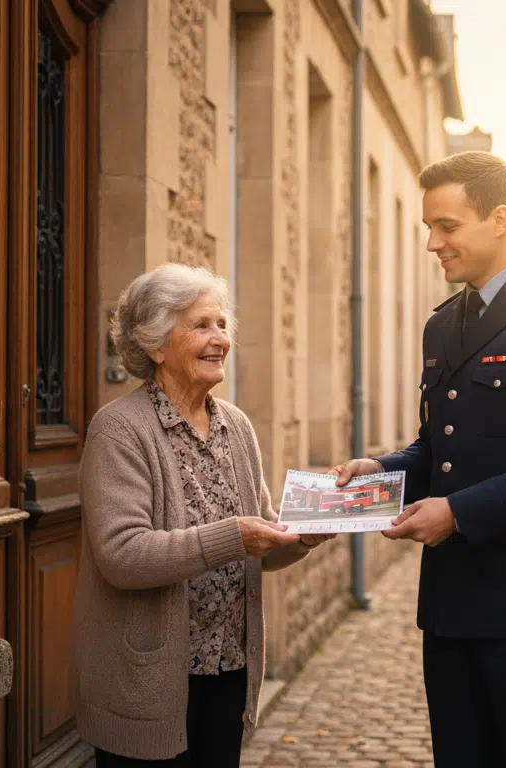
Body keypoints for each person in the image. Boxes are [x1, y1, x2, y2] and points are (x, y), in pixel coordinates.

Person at [333, 151, 506, 767]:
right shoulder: (442, 325)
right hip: (453, 600)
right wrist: (382, 470)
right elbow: (438, 449)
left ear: (499, 219)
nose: (433, 242)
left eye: (447, 226)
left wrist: (456, 513)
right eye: (429, 228)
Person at [73, 263, 335, 766]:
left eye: (221, 325)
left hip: (228, 670)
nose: (219, 339)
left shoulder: (235, 425)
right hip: (148, 680)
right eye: (200, 326)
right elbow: (122, 555)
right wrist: (235, 535)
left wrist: (300, 538)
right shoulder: (119, 429)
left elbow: (259, 540)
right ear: (154, 345)